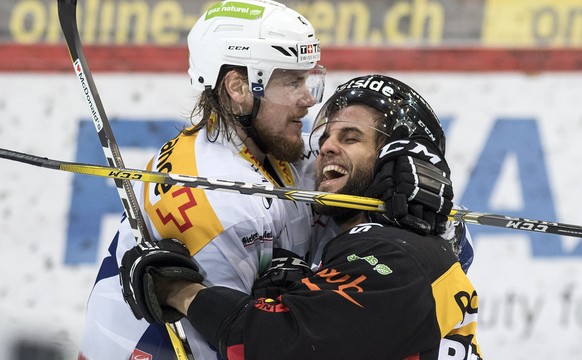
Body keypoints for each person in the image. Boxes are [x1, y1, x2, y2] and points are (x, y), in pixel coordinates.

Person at [79, 0, 472, 358]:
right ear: (238, 87)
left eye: (309, 80)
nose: (309, 99)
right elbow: (240, 346)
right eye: (291, 82)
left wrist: (430, 197)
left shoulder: (278, 149)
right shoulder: (223, 204)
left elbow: (381, 194)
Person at [119, 75, 483, 360]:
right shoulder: (411, 244)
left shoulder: (393, 254)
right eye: (327, 136)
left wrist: (178, 291)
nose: (325, 146)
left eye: (351, 137)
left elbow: (270, 348)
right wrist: (296, 295)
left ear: (395, 162)